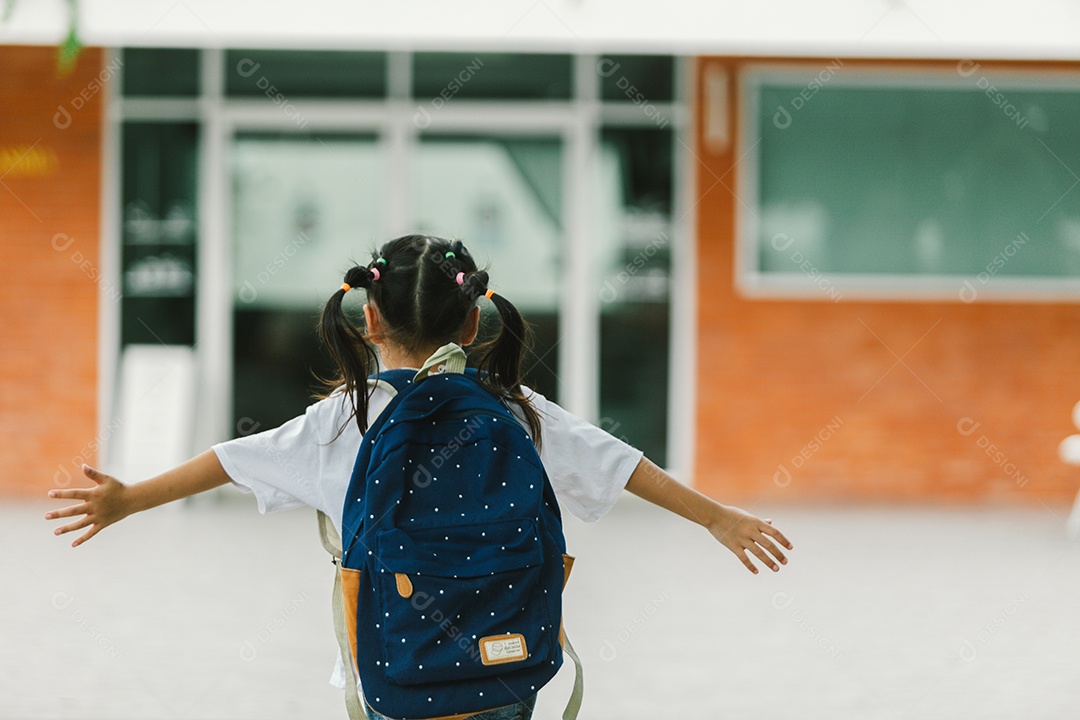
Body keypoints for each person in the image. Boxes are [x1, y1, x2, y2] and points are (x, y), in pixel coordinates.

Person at [46, 234, 793, 720]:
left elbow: (231, 461)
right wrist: (718, 518)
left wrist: (128, 500)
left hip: (395, 658)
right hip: (507, 652)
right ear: (475, 325)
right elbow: (624, 466)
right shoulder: (515, 408)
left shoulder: (345, 417)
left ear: (366, 321)